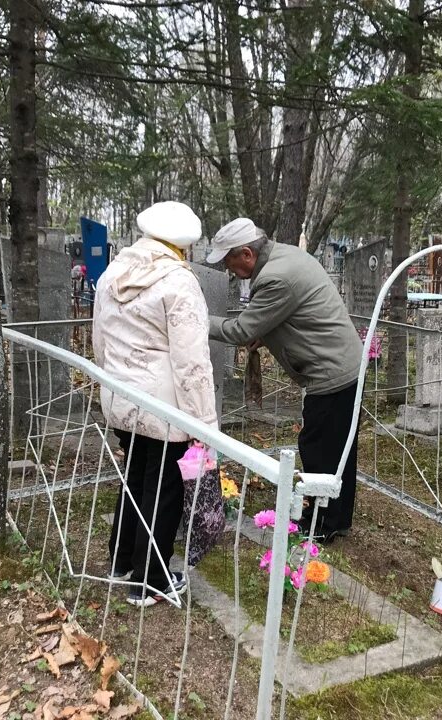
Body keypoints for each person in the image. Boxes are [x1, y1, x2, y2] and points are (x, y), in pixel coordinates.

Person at [93, 201, 218, 607]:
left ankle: (123, 557)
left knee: (135, 474)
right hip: (165, 405)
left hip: (121, 395)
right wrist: (205, 426)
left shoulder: (113, 273)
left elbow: (100, 341)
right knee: (162, 487)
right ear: (184, 246)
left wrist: (108, 385)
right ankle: (150, 581)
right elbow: (192, 363)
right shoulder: (179, 282)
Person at [207, 218, 362, 543]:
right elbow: (297, 314)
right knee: (337, 447)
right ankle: (337, 517)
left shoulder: (275, 278)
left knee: (318, 447)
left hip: (330, 371)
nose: (229, 270)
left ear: (247, 254)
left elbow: (241, 330)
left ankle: (321, 522)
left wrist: (196, 318)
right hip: (343, 362)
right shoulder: (285, 256)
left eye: (229, 262)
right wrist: (268, 336)